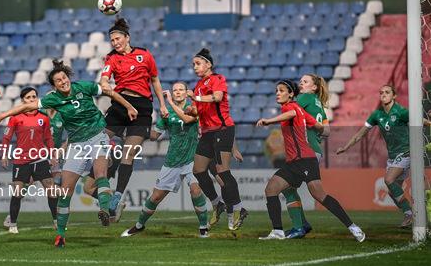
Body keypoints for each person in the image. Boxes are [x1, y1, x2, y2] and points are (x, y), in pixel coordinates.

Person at [0, 60, 137, 248]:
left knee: (100, 175)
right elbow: (25, 107)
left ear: (68, 77)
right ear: (54, 85)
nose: (63, 82)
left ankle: (105, 210)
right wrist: (1, 116)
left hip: (98, 137)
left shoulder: (85, 86)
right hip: (76, 145)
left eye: (64, 78)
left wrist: (129, 106)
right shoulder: (53, 99)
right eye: (58, 80)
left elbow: (110, 92)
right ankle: (60, 235)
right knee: (65, 191)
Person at [257, 80, 365, 242]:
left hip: (304, 160)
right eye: (276, 91)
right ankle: (278, 231)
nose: (277, 93)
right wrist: (321, 129)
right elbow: (319, 126)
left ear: (291, 94)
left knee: (320, 195)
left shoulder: (291, 107)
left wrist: (269, 121)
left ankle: (353, 227)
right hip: (296, 162)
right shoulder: (301, 109)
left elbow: (290, 114)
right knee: (271, 188)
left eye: (281, 90)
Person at [99, 18, 168, 222]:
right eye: (111, 40)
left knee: (129, 154)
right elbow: (105, 78)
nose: (114, 42)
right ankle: (108, 166)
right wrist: (104, 82)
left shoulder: (144, 55)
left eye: (117, 38)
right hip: (120, 105)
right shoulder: (111, 59)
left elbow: (154, 80)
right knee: (99, 138)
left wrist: (162, 104)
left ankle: (117, 197)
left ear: (127, 37)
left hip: (143, 107)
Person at [121, 82, 210, 238]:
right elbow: (155, 136)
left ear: (186, 92)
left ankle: (203, 227)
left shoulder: (194, 108)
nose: (177, 92)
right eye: (175, 90)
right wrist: (138, 130)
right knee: (155, 197)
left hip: (192, 159)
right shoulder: (166, 113)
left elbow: (189, 120)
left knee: (196, 190)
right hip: (172, 160)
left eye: (181, 89)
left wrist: (167, 102)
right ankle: (139, 225)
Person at [336, 85, 431, 228]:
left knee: (388, 179)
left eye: (387, 92)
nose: (383, 94)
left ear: (394, 96)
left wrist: (429, 122)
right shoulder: (377, 115)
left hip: (406, 152)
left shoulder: (400, 112)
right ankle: (411, 214)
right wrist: (345, 147)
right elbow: (360, 134)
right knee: (392, 191)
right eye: (381, 92)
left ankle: (410, 214)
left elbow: (419, 119)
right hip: (393, 157)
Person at [185, 48, 247, 231]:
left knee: (222, 171)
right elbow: (199, 110)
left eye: (198, 63)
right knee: (198, 170)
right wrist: (191, 110)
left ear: (208, 64)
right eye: (193, 65)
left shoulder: (217, 79)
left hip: (222, 130)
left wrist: (195, 98)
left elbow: (217, 97)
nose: (195, 67)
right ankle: (217, 203)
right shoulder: (198, 86)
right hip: (207, 133)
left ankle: (237, 209)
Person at [0, 87, 58, 234]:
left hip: (40, 159)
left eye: (34, 97)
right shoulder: (15, 117)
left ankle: (57, 222)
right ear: (23, 100)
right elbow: (6, 138)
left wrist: (52, 155)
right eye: (28, 97)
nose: (32, 99)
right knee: (18, 192)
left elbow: (48, 139)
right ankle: (12, 224)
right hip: (22, 160)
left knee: (51, 190)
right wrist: (4, 155)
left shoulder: (43, 118)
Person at [282, 74, 331, 239]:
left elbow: (290, 110)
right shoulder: (319, 104)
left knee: (289, 188)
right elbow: (327, 132)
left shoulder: (305, 97)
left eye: (305, 82)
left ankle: (299, 227)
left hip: (305, 151)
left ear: (314, 87)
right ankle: (302, 224)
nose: (301, 84)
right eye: (300, 81)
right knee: (290, 188)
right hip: (315, 150)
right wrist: (314, 127)